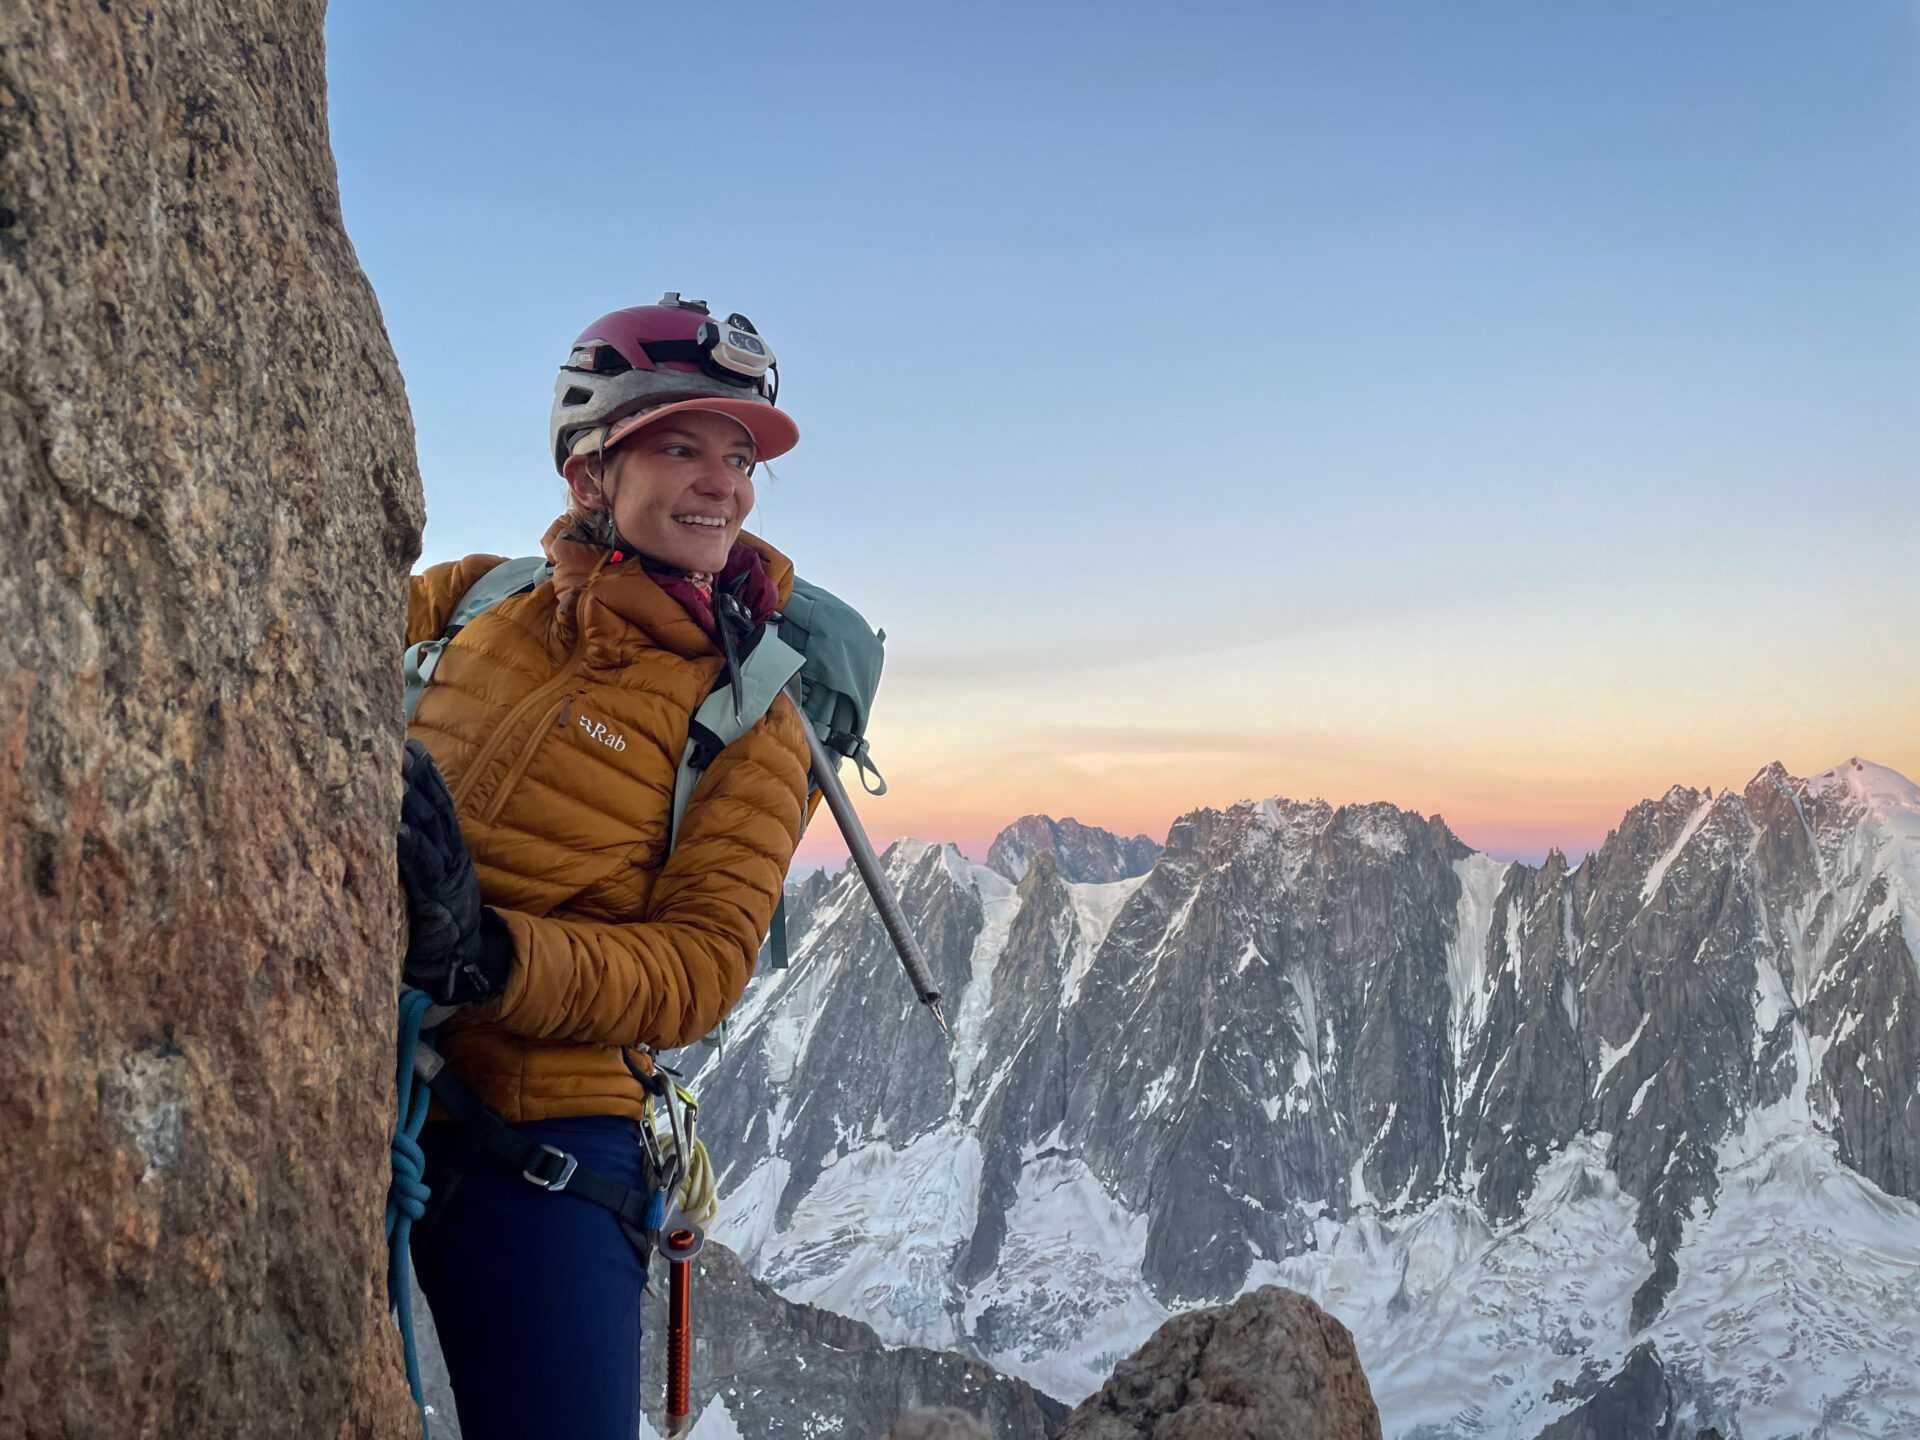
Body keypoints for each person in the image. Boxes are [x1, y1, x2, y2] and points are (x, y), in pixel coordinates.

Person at [394, 296, 811, 1440]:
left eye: (738, 455)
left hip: (543, 1134)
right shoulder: (472, 601)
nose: (721, 482)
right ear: (590, 472)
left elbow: (698, 968)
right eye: (681, 445)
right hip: (360, 1058)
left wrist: (488, 954)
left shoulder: (752, 720)